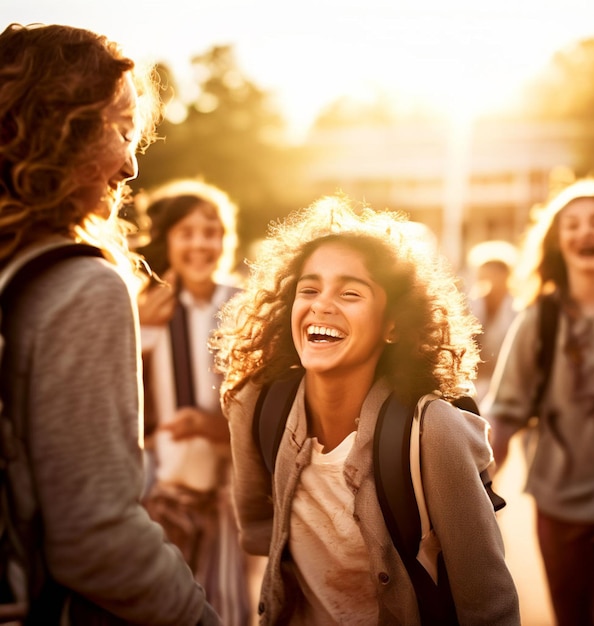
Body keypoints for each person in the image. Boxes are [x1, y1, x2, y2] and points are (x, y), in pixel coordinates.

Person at [210, 194, 521, 625]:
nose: (321, 304)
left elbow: (488, 602)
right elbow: (260, 530)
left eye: (350, 292)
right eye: (309, 289)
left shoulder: (433, 431)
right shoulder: (255, 405)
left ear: (393, 324)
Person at [0, 23, 221, 625]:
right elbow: (94, 538)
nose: (128, 165)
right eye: (119, 130)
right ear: (58, 130)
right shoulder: (81, 285)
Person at [483, 177, 594, 626]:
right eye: (574, 225)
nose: (587, 232)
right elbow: (505, 414)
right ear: (558, 241)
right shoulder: (537, 321)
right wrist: (475, 482)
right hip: (558, 502)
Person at [135, 179, 261, 626]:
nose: (201, 244)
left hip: (229, 480)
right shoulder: (145, 305)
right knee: (163, 597)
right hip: (161, 482)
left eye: (212, 231)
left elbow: (264, 395)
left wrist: (212, 425)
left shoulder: (245, 305)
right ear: (167, 239)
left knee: (225, 601)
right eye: (186, 232)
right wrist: (139, 327)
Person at [465, 241, 518, 405]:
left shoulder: (518, 308)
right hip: (474, 380)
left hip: (508, 381)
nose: (487, 278)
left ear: (505, 275)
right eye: (483, 273)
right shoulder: (471, 304)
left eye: (493, 273)